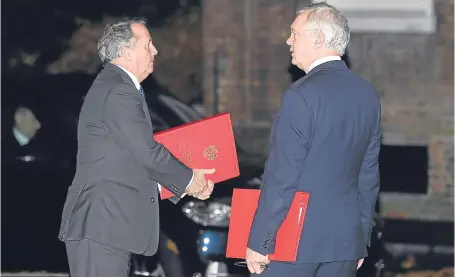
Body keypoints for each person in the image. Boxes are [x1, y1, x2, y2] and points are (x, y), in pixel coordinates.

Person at [58, 18, 216, 277]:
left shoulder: (118, 87)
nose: (155, 51)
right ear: (125, 51)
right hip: (102, 226)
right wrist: (190, 180)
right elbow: (147, 152)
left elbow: (130, 160)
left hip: (108, 227)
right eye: (148, 44)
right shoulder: (119, 90)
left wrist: (183, 181)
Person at [246, 2, 381, 277]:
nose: (288, 40)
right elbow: (368, 176)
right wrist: (360, 240)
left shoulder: (301, 95)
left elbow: (283, 175)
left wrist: (261, 239)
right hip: (344, 243)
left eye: (295, 33)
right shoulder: (367, 95)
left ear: (318, 39)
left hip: (294, 242)